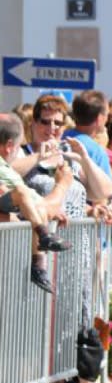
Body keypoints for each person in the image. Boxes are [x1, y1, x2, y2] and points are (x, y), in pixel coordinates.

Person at [0, 113, 73, 292]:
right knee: (22, 192)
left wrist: (44, 210)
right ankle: (43, 235)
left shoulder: (7, 168)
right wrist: (62, 185)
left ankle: (39, 266)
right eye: (18, 147)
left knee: (30, 199)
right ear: (9, 146)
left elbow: (39, 205)